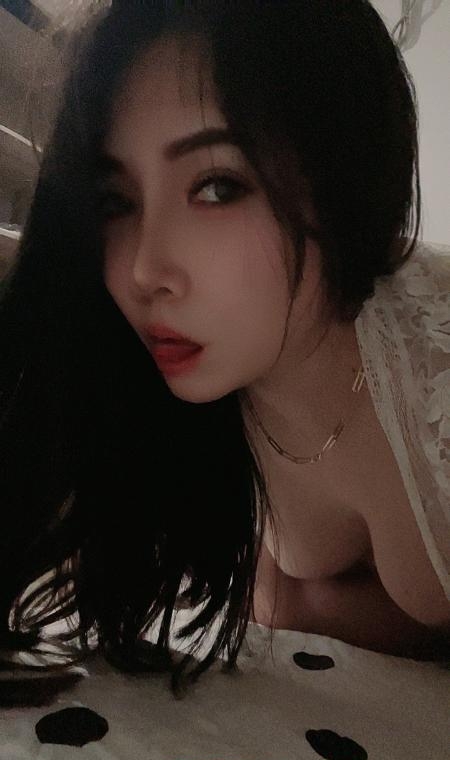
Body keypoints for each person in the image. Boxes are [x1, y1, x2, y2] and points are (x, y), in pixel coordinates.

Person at [0, 0, 448, 702]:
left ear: (344, 173)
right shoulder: (196, 386)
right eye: (117, 201)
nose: (144, 270)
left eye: (216, 187)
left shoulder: (432, 368)